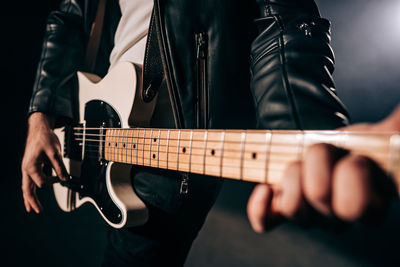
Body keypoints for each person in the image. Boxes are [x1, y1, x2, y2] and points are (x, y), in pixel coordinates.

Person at [21, 0, 398, 266]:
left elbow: (283, 21)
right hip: (98, 114)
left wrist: (302, 138)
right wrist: (41, 113)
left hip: (174, 157)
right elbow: (70, 15)